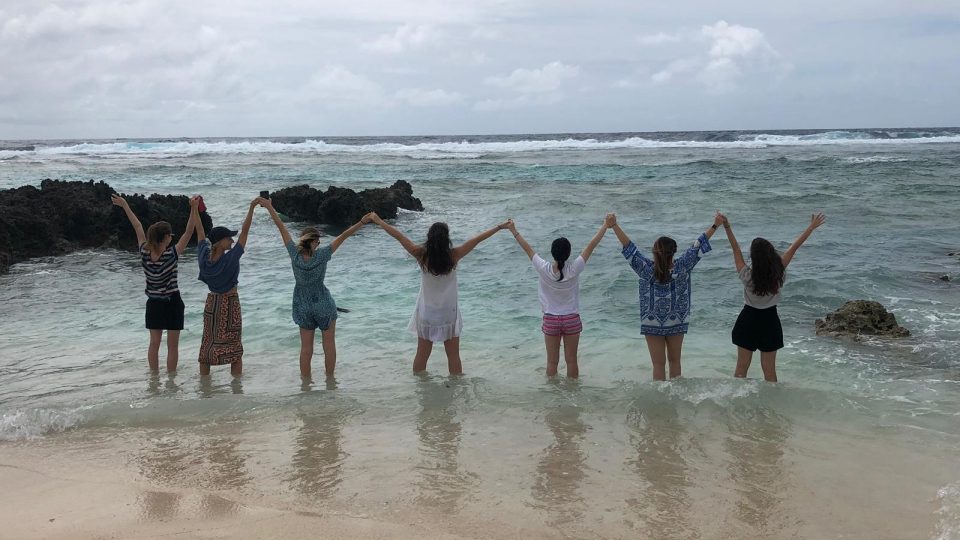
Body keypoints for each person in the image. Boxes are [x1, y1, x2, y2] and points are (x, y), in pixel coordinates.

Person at [368, 213, 510, 375]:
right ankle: (455, 389)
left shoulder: (421, 254)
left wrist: (379, 221)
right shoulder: (454, 255)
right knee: (453, 356)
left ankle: (421, 389)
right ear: (446, 239)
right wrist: (499, 227)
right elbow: (477, 239)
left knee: (422, 354)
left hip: (427, 312)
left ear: (429, 238)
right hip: (448, 313)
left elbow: (399, 236)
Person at [261, 198, 370, 379]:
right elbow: (344, 235)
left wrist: (269, 206)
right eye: (318, 242)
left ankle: (306, 385)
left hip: (302, 305)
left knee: (305, 349)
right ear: (313, 242)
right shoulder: (323, 255)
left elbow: (280, 226)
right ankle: (330, 380)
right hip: (324, 304)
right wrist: (362, 221)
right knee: (329, 346)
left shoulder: (293, 255)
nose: (319, 244)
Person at [610, 212, 724, 380]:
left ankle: (659, 401)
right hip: (676, 319)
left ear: (654, 253)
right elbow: (698, 245)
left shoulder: (646, 269)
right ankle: (675, 398)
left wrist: (614, 225)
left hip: (652, 320)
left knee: (658, 365)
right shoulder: (682, 267)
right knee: (675, 362)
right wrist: (716, 225)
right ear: (674, 252)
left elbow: (629, 248)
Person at [722, 212, 826, 382]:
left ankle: (737, 405)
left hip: (747, 320)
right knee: (769, 372)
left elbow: (735, 249)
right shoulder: (779, 271)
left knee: (741, 369)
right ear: (771, 253)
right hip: (770, 321)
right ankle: (770, 407)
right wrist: (811, 227)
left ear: (753, 257)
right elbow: (795, 246)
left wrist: (726, 226)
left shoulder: (747, 275)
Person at [506, 215, 614, 378]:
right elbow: (591, 245)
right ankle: (572, 394)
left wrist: (513, 230)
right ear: (569, 254)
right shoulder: (575, 268)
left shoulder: (543, 268)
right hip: (571, 319)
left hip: (551, 320)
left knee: (551, 362)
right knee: (572, 361)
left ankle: (552, 396)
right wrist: (605, 226)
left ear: (552, 253)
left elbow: (527, 248)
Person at [112, 194, 200, 372]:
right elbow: (189, 232)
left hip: (153, 303)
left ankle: (154, 378)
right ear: (166, 237)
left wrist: (125, 206)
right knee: (172, 346)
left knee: (154, 344)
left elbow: (137, 225)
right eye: (170, 236)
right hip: (172, 302)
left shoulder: (144, 252)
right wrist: (193, 208)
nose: (172, 238)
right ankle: (171, 379)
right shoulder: (171, 255)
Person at [194, 197, 260, 376]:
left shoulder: (203, 257)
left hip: (212, 304)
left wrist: (193, 209)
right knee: (235, 350)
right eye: (229, 238)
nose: (232, 241)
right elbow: (245, 233)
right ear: (220, 241)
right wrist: (252, 208)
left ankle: (205, 386)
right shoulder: (230, 258)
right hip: (229, 304)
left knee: (207, 347)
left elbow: (199, 230)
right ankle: (236, 388)